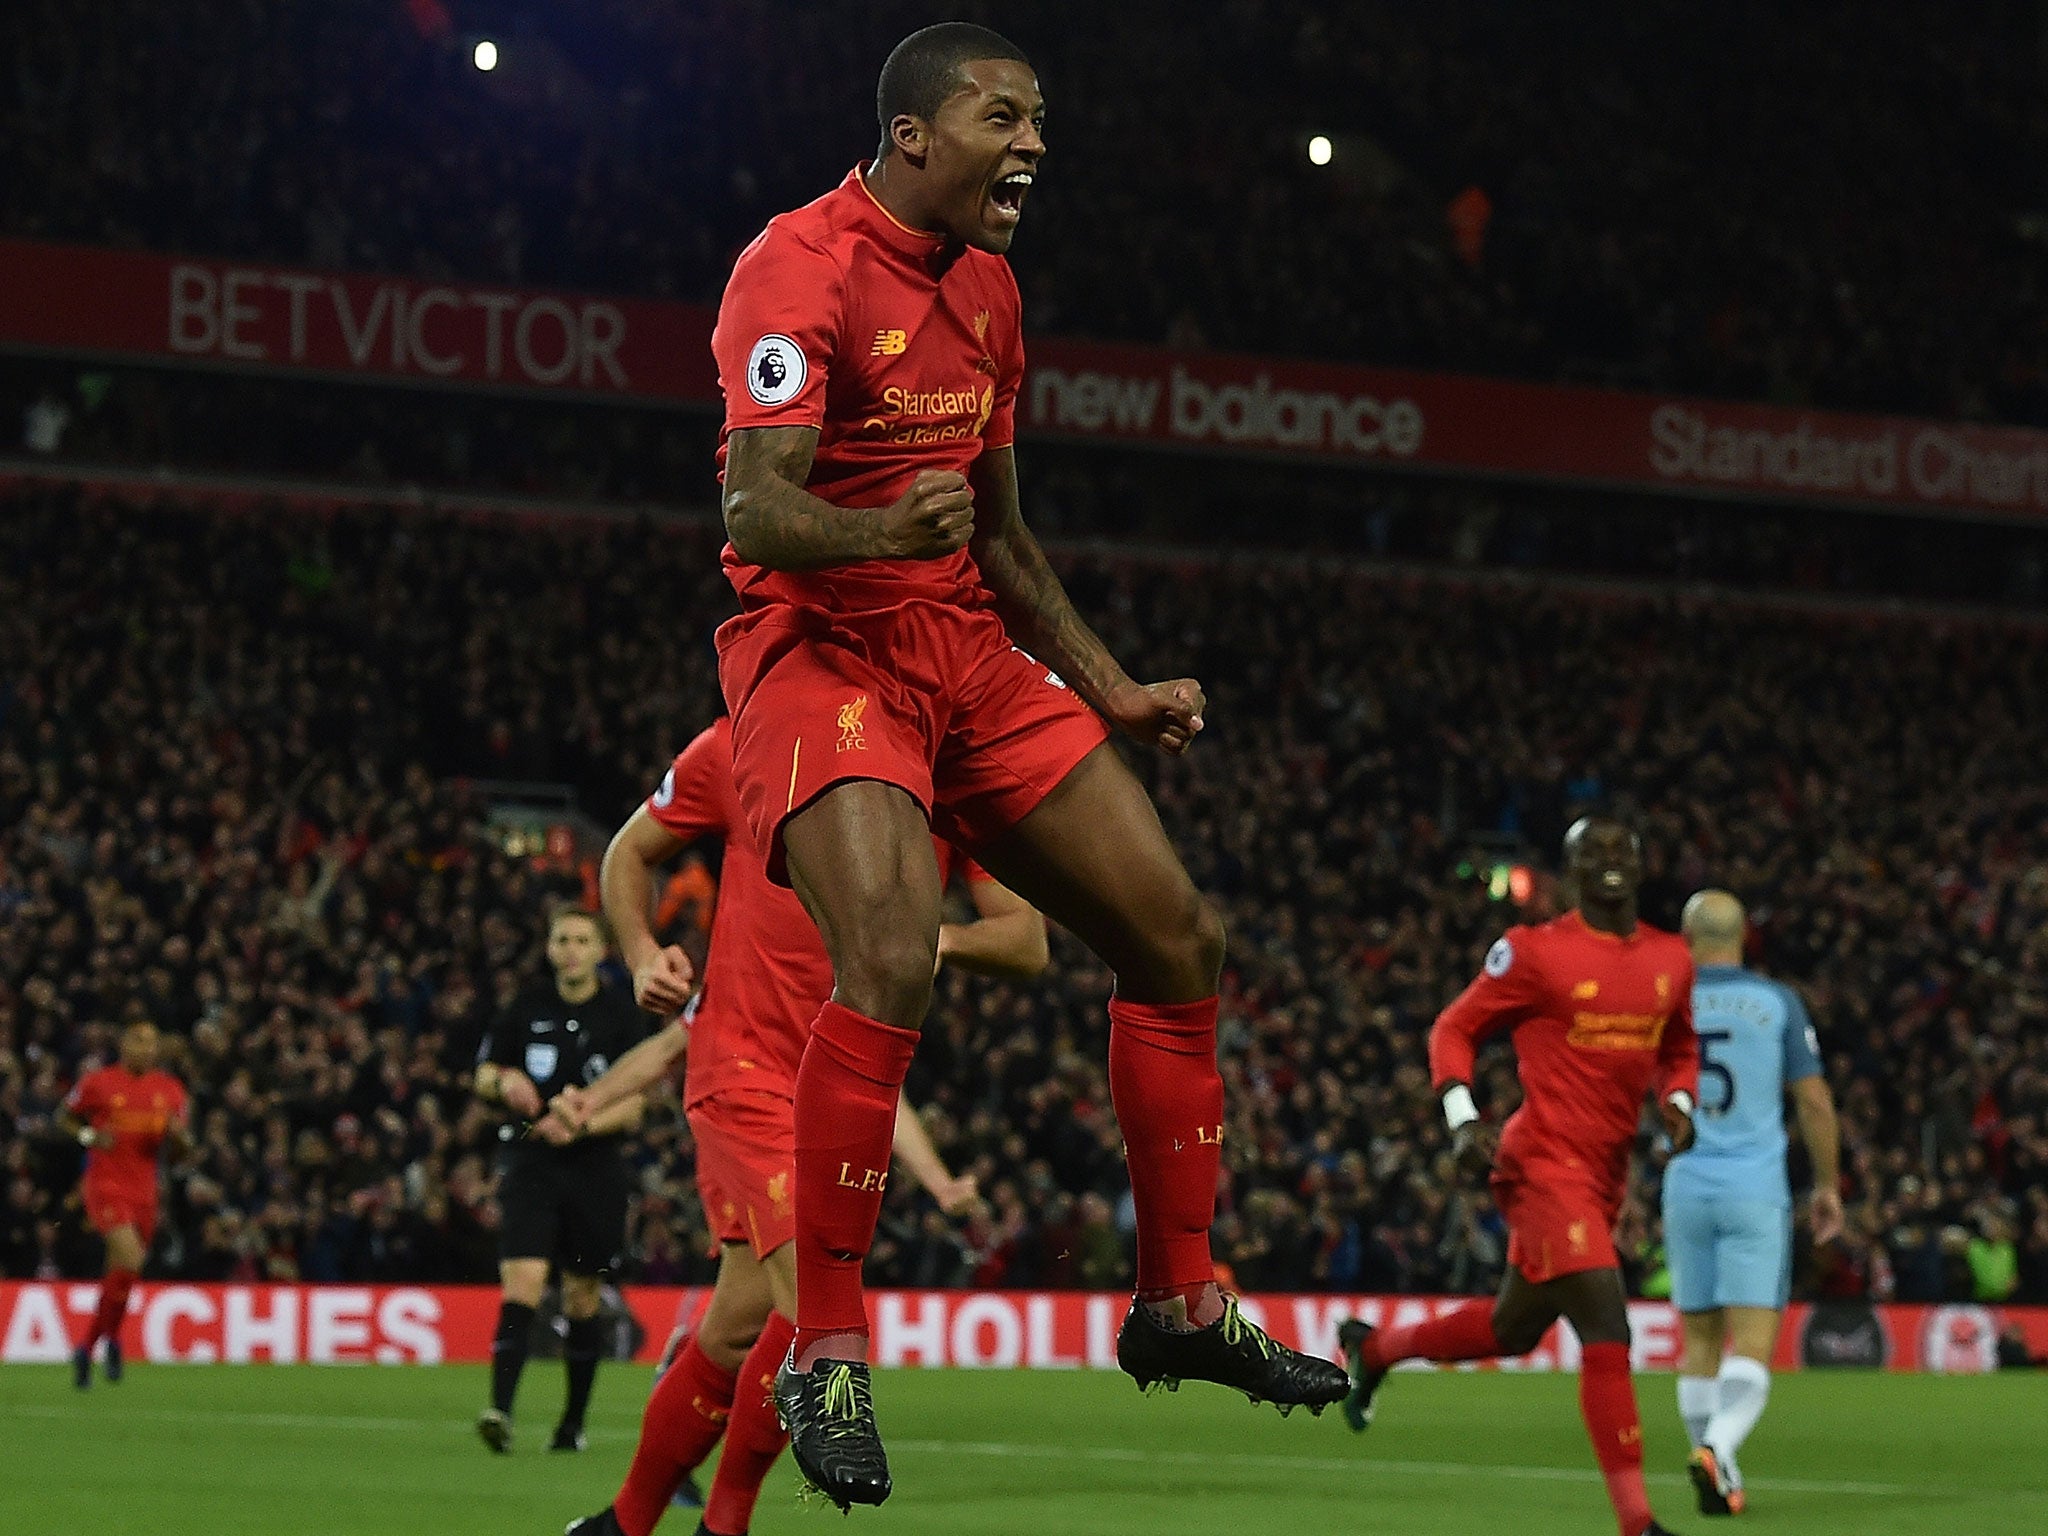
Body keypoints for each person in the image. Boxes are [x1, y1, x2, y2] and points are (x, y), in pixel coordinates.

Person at [708, 18, 1346, 1506]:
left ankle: (1181, 1306)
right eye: (1008, 117)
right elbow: (752, 516)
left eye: (1041, 118)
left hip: (967, 648)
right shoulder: (793, 269)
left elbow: (999, 531)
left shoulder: (990, 288)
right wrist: (879, 535)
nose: (1037, 145)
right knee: (891, 954)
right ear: (916, 133)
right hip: (819, 649)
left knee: (1177, 936)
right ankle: (828, 1356)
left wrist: (1111, 687)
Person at [553, 715, 1041, 1536]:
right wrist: (641, 955)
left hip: (841, 1084)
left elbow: (1025, 943)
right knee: (820, 1303)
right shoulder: (746, 742)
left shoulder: (945, 778)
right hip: (740, 1067)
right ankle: (723, 1525)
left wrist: (938, 938)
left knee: (740, 1321)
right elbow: (626, 853)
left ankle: (622, 1524)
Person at [1338, 818, 1699, 1536]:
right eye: (1591, 853)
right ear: (1568, 872)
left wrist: (1679, 1100)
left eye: (1622, 849)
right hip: (1539, 1163)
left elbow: (1681, 1044)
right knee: (1605, 1317)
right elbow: (1453, 1027)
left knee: (1512, 1330)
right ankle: (1638, 1524)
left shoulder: (1670, 957)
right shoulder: (1535, 953)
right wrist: (1460, 1115)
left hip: (1604, 1175)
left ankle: (1373, 1350)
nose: (1610, 862)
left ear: (1641, 863)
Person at [1664, 890, 1841, 1517]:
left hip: (1685, 1184)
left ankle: (1720, 1472)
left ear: (1686, 936)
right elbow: (1814, 1100)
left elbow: (1638, 1097)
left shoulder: (1667, 998)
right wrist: (1827, 1184)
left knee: (1700, 1345)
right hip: (1753, 1190)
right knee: (1753, 1346)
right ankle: (1716, 1447)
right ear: (1744, 937)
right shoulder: (1776, 1002)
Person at [471, 905, 653, 1454]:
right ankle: (499, 1410)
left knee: (582, 1297)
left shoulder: (621, 1016)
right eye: (561, 940)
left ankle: (571, 1426)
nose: (570, 949)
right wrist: (504, 1085)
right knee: (522, 1282)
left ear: (601, 952)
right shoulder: (526, 1007)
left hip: (595, 1170)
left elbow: (635, 1107)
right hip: (531, 1164)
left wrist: (581, 1123)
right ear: (549, 949)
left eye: (580, 939)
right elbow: (483, 1073)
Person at [59, 1020, 191, 1388]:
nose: (146, 1049)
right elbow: (64, 1118)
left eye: (152, 1043)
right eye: (138, 1041)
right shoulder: (99, 1083)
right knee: (130, 1259)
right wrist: (89, 1135)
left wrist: (179, 1138)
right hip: (106, 1185)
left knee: (121, 1273)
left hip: (145, 1192)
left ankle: (91, 1345)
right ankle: (104, 1342)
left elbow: (181, 1155)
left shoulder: (170, 1091)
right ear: (124, 1044)